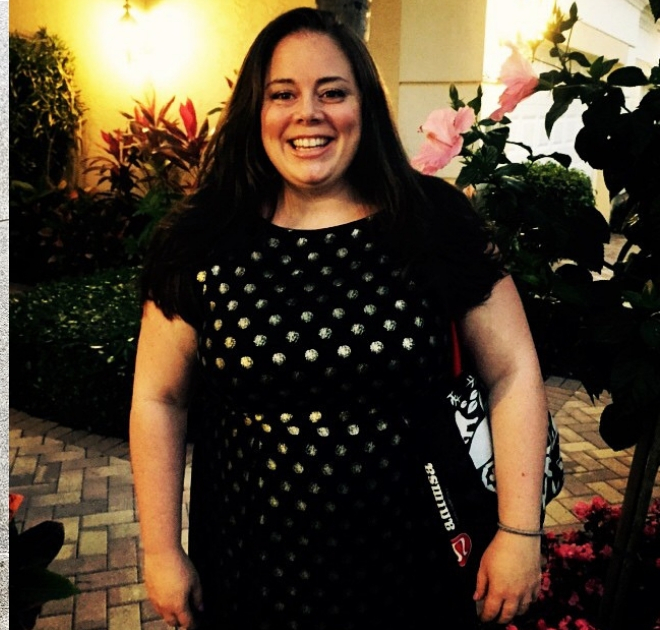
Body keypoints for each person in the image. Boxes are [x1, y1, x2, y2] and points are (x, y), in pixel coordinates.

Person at [130, 8, 549, 630]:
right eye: (283, 94)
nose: (309, 114)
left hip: (418, 565)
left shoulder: (432, 222)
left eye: (333, 92)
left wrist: (520, 532)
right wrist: (160, 550)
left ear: (365, 107)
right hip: (253, 572)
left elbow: (512, 371)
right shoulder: (202, 239)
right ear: (256, 110)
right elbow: (159, 398)